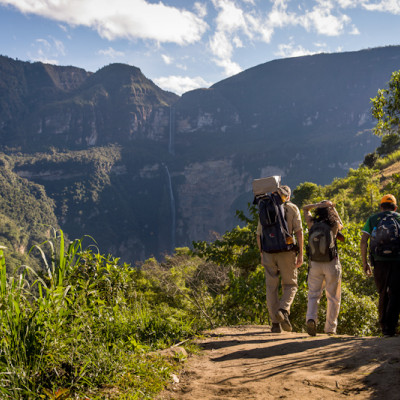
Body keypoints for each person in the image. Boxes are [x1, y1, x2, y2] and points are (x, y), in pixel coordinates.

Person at [256, 185, 304, 333]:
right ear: (288, 196)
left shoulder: (265, 206)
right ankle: (283, 310)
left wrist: (262, 253)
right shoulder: (292, 208)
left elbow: (259, 234)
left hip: (268, 252)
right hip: (286, 252)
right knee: (290, 284)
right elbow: (299, 232)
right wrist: (301, 253)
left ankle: (275, 324)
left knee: (271, 287)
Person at [360, 194, 400, 337]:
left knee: (382, 292)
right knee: (395, 293)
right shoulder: (399, 218)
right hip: (397, 260)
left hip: (379, 261)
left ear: (381, 207)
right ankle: (391, 328)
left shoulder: (373, 219)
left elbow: (363, 241)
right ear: (395, 207)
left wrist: (365, 263)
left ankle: (384, 327)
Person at [303, 201, 344, 336]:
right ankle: (330, 328)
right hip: (331, 263)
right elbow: (341, 224)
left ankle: (311, 318)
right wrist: (331, 207)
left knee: (313, 294)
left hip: (315, 264)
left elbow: (305, 209)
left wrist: (317, 205)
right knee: (333, 297)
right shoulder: (333, 224)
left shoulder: (312, 223)